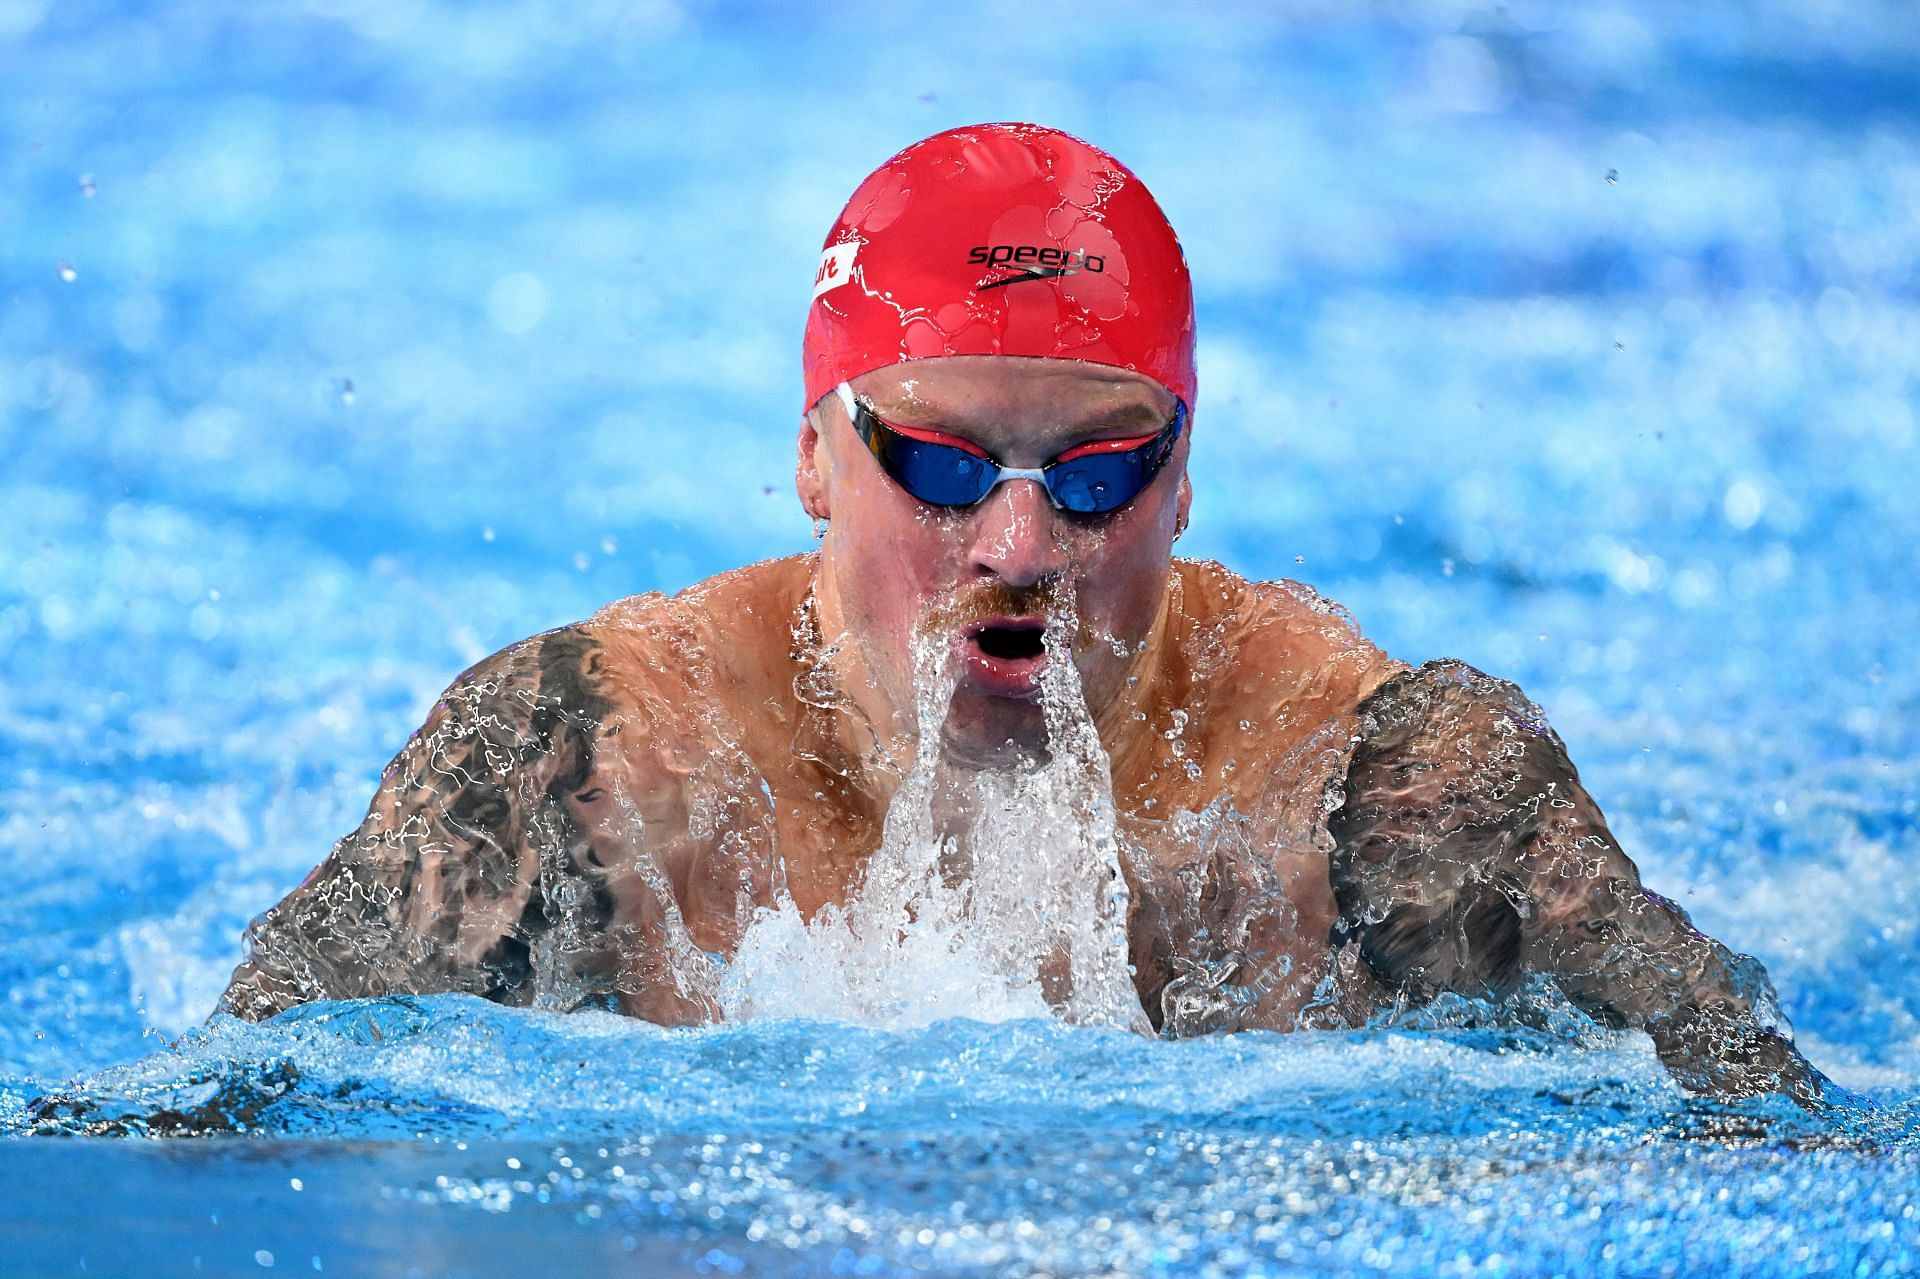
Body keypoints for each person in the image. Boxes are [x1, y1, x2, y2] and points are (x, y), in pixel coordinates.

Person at [219, 122, 1826, 1105]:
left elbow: (1757, 1120)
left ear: (1185, 480)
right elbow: (215, 1108)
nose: (1020, 541)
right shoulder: (588, 762)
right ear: (809, 457)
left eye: (1101, 468)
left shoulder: (1379, 786)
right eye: (933, 459)